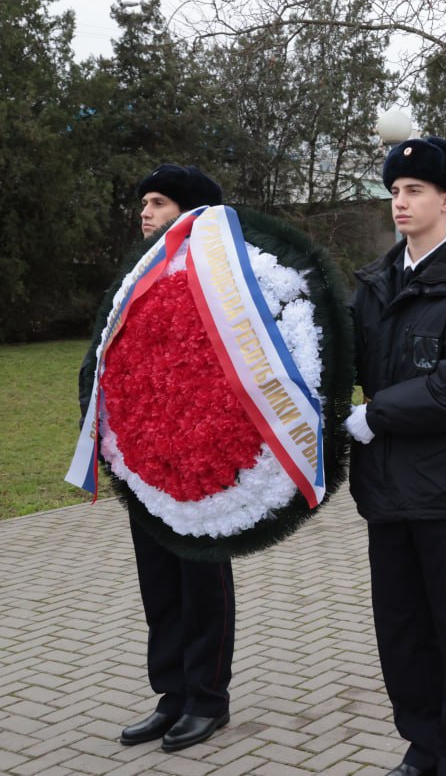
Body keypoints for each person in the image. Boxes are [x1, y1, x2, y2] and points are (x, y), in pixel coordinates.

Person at [345, 136, 446, 775]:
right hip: (387, 489)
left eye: (414, 190)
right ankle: (422, 746)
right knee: (401, 627)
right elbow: (342, 359)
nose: (400, 202)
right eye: (394, 191)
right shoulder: (377, 283)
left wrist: (375, 414)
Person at [101, 165, 236, 753]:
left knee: (201, 580)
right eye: (144, 202)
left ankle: (208, 698)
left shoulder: (221, 277)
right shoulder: (137, 280)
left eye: (157, 202)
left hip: (199, 462)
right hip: (146, 460)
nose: (145, 212)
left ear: (189, 213)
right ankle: (172, 694)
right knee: (159, 583)